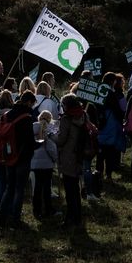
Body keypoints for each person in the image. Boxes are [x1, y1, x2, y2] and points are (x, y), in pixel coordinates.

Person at [0, 91, 37, 230]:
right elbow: (29, 140)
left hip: (9, 154)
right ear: (30, 102)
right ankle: (15, 220)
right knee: (19, 189)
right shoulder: (26, 117)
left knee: (9, 187)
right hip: (23, 157)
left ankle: (1, 219)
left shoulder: (8, 114)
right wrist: (39, 143)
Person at [56, 94, 86, 229]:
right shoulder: (83, 115)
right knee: (75, 189)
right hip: (79, 155)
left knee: (70, 190)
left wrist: (52, 136)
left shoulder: (66, 119)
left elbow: (61, 139)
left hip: (68, 156)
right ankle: (77, 218)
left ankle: (70, 219)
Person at [31, 110, 58, 219]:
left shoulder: (32, 128)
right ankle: (48, 209)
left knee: (37, 187)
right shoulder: (50, 130)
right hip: (47, 164)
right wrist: (55, 159)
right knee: (47, 188)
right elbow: (51, 148)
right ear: (49, 119)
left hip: (35, 163)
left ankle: (36, 210)